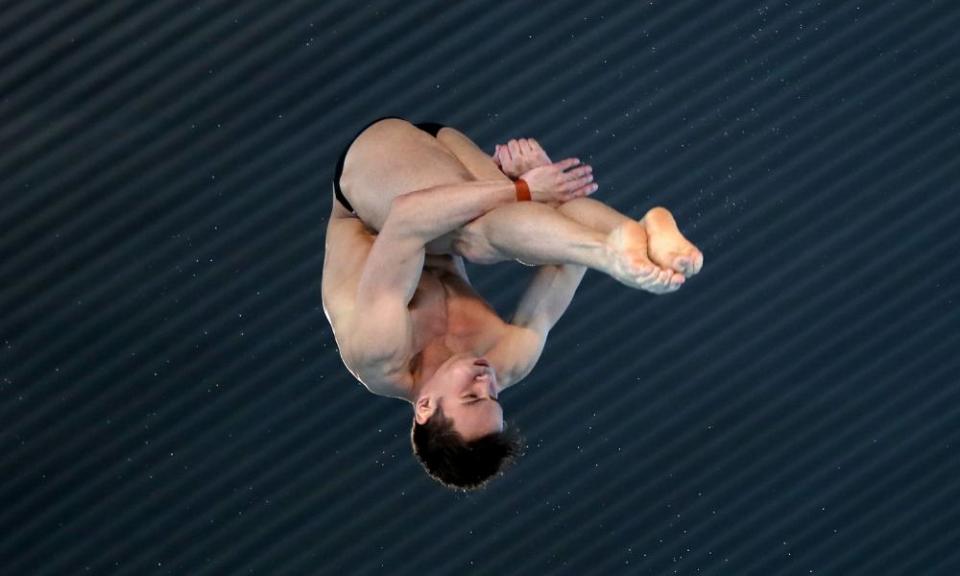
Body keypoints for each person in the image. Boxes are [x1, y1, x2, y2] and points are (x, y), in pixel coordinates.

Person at [321, 116, 703, 489]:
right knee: (517, 229)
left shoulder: (380, 352)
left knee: (477, 237)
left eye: (471, 396)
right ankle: (636, 234)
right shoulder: (508, 360)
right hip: (450, 177)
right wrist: (541, 186)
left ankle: (614, 247)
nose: (486, 380)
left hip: (371, 180)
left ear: (425, 408)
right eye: (493, 397)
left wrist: (523, 189)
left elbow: (407, 219)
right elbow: (564, 260)